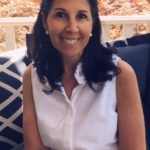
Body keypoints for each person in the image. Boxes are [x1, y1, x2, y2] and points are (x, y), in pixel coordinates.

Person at [23, 0, 146, 149]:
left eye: (81, 16)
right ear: (44, 22)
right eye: (60, 15)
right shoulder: (32, 76)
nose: (72, 28)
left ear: (92, 23)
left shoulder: (121, 75)